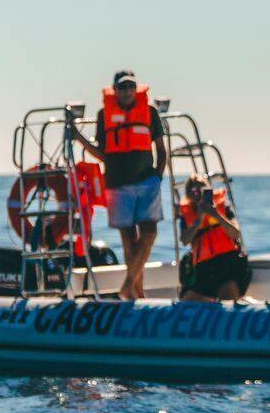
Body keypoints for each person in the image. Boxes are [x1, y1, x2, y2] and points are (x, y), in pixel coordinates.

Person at [71, 70, 168, 299]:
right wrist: (79, 138)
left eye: (131, 86)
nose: (127, 91)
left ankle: (127, 286)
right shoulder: (104, 115)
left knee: (149, 233)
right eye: (122, 87)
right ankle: (137, 294)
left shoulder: (150, 113)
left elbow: (161, 150)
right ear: (115, 90)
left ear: (137, 88)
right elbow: (103, 153)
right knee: (128, 239)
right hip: (117, 184)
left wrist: (158, 177)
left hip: (147, 182)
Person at [177, 175, 251, 301]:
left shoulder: (223, 208)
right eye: (194, 192)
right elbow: (185, 240)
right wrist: (199, 220)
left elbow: (235, 233)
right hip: (204, 268)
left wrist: (215, 214)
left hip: (229, 263)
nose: (198, 195)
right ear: (189, 195)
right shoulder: (187, 215)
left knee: (228, 295)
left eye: (202, 190)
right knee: (186, 302)